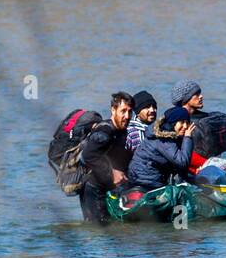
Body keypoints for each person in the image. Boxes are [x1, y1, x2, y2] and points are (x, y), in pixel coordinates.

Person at [79, 92, 135, 224]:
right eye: (123, 111)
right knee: (98, 228)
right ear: (113, 110)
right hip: (92, 188)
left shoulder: (121, 130)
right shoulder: (104, 132)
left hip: (107, 188)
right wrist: (112, 173)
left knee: (110, 227)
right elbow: (87, 156)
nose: (127, 116)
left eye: (130, 112)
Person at [127, 105, 195, 190]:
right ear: (172, 123)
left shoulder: (174, 135)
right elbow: (182, 161)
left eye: (187, 122)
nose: (185, 126)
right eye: (181, 122)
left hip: (150, 175)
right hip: (144, 178)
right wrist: (188, 138)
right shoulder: (164, 138)